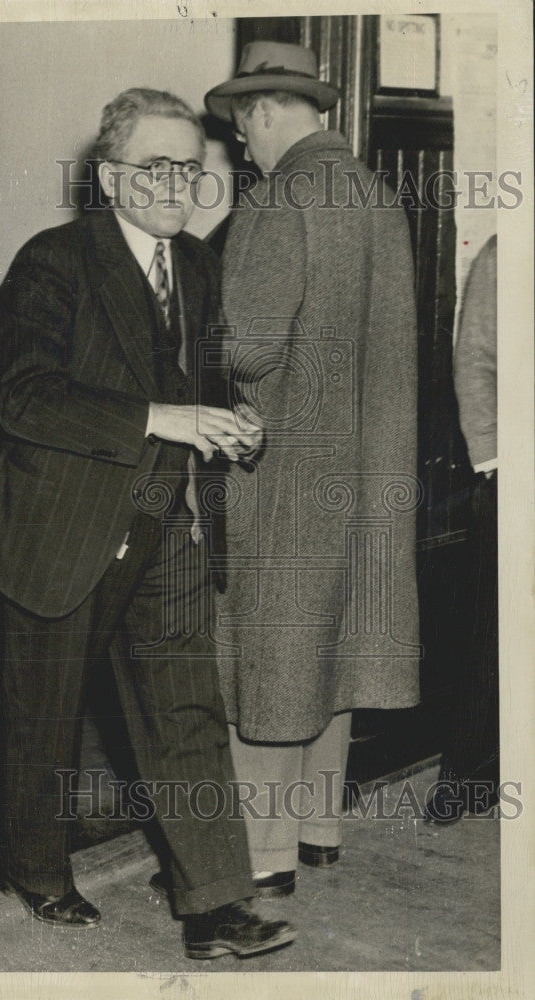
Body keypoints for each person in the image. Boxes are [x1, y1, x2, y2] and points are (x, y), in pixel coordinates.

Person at [0, 87, 296, 960]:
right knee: (41, 714)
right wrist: (163, 417)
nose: (175, 184)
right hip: (59, 527)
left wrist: (235, 419)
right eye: (154, 166)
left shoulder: (199, 265)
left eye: (189, 167)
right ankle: (37, 870)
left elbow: (206, 385)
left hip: (165, 522)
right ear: (110, 175)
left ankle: (216, 904)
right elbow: (21, 396)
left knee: (185, 712)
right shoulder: (53, 262)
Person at [202, 43, 421, 894]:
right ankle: (319, 831)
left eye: (239, 132)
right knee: (334, 647)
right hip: (368, 470)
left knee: (271, 657)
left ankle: (263, 858)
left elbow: (249, 348)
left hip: (286, 470)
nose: (241, 149)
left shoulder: (277, 198)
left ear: (261, 112)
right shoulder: (375, 193)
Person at [425, 234, 499, 823]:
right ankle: (470, 782)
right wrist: (497, 461)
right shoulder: (508, 252)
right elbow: (473, 361)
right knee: (496, 639)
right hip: (517, 482)